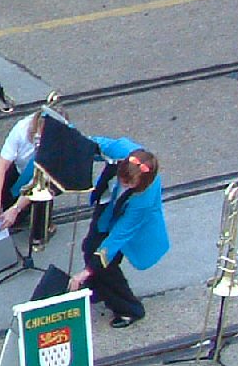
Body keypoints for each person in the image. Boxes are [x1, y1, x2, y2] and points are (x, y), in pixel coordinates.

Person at [68, 138, 170, 328]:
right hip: (109, 206)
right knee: (90, 246)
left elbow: (118, 236)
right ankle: (98, 284)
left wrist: (86, 271)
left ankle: (129, 309)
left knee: (106, 263)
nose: (123, 184)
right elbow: (95, 144)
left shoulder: (143, 200)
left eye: (128, 183)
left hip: (126, 220)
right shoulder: (124, 151)